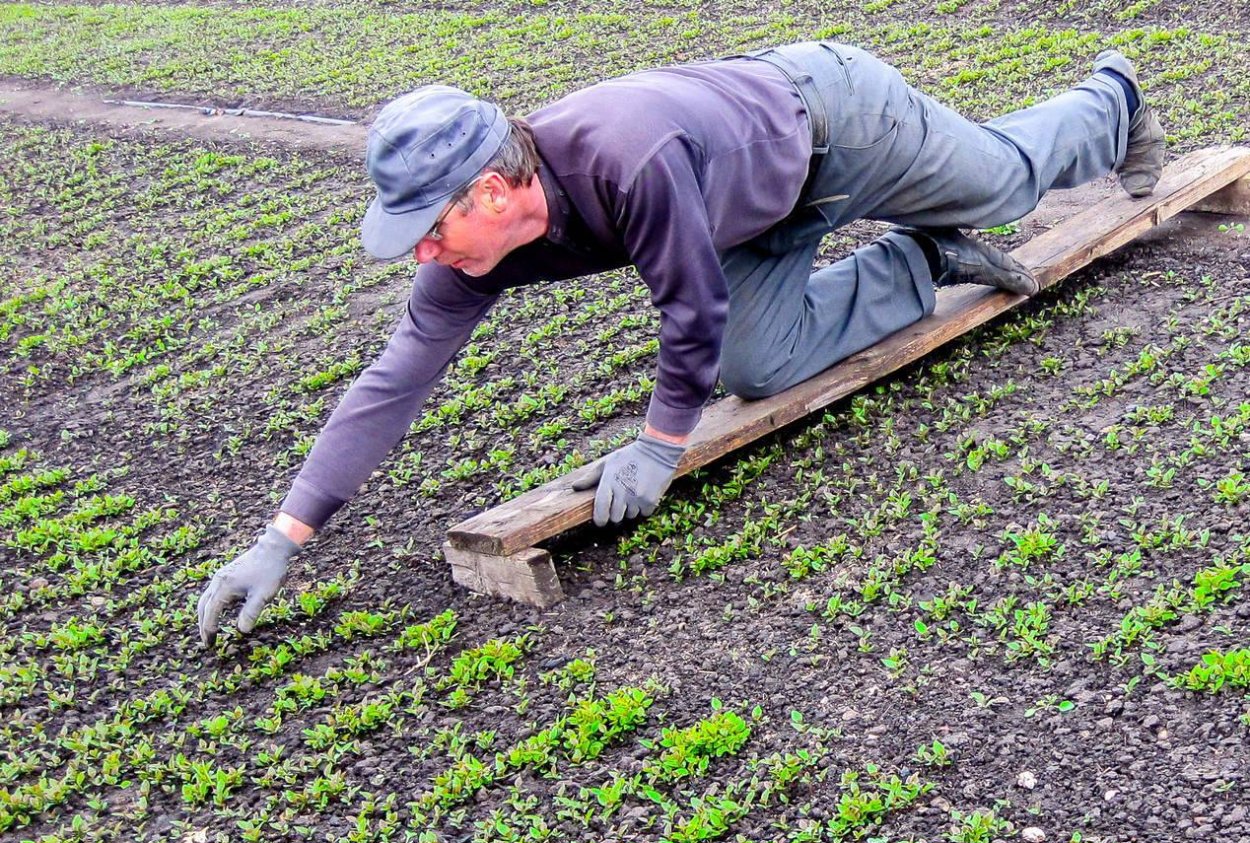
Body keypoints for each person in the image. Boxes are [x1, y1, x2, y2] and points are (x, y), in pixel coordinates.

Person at [197, 41, 1163, 645]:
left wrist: (660, 446)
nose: (423, 249)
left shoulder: (625, 154)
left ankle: (1113, 97)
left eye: (429, 224)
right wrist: (281, 540)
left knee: (1004, 182)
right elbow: (392, 380)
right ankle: (921, 264)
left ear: (490, 191)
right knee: (759, 365)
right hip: (749, 216)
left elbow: (687, 305)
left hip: (838, 126)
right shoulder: (470, 260)